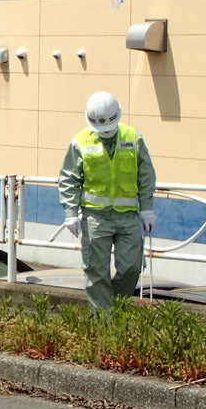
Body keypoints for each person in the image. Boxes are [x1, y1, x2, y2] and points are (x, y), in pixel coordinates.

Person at [58, 91, 157, 312]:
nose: (106, 132)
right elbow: (69, 177)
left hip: (128, 215)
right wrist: (70, 212)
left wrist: (147, 209)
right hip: (95, 216)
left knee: (132, 268)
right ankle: (105, 323)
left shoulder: (134, 138)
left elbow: (146, 175)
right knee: (96, 271)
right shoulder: (80, 142)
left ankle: (114, 309)